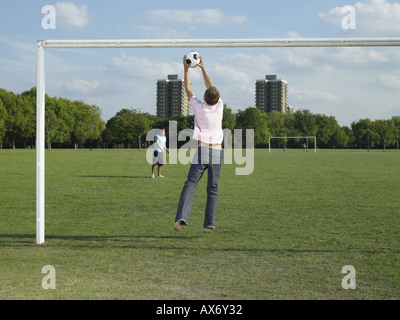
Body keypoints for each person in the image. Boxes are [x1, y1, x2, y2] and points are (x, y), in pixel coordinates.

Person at [174, 54, 224, 234]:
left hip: (203, 150)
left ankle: (181, 218)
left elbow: (187, 88)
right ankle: (208, 225)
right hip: (217, 152)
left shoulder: (198, 106)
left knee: (190, 184)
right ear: (217, 98)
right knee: (213, 189)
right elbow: (211, 87)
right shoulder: (219, 106)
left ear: (204, 97)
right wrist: (203, 67)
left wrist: (186, 70)